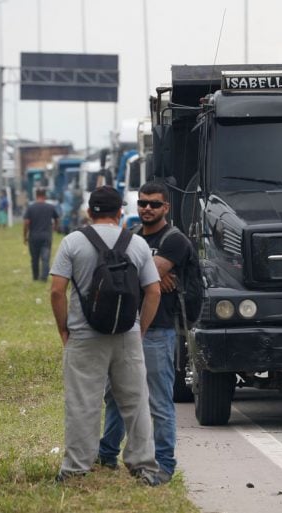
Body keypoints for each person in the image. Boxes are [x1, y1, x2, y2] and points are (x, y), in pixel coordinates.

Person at [49, 185, 163, 485]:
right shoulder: (136, 244)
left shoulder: (73, 242)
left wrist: (64, 328)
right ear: (119, 212)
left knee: (82, 402)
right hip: (128, 333)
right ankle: (144, 467)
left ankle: (76, 469)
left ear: (89, 212)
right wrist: (142, 327)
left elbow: (57, 290)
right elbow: (153, 291)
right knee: (136, 402)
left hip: (84, 337)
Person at [98, 182, 189, 484]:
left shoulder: (174, 240)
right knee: (116, 397)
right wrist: (150, 277)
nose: (147, 208)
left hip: (159, 330)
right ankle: (107, 455)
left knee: (159, 402)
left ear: (166, 208)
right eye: (143, 203)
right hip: (127, 327)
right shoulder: (134, 239)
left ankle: (164, 464)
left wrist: (139, 274)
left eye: (154, 204)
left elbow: (132, 274)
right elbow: (130, 277)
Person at [23, 188, 59, 281]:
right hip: (46, 236)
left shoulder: (31, 208)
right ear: (45, 195)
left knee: (34, 258)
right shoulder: (50, 207)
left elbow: (26, 222)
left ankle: (35, 277)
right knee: (45, 258)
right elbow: (57, 219)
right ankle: (44, 277)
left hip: (33, 236)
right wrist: (54, 227)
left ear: (36, 195)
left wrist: (25, 236)